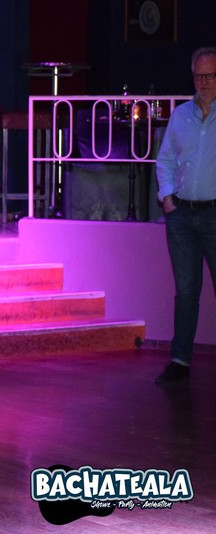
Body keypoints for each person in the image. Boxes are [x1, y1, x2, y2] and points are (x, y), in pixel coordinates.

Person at [155, 46, 216, 385]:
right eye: (198, 76)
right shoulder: (180, 115)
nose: (203, 82)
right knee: (186, 292)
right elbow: (165, 159)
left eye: (210, 75)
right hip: (181, 215)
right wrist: (166, 196)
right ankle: (180, 360)